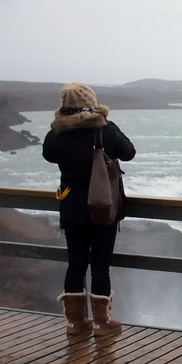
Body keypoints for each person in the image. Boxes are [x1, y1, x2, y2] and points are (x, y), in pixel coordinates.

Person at [43, 82, 136, 335]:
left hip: (71, 206)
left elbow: (49, 155)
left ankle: (75, 323)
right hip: (103, 207)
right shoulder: (104, 129)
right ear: (91, 102)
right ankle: (102, 323)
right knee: (100, 266)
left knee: (76, 263)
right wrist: (105, 121)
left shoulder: (57, 132)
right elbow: (128, 152)